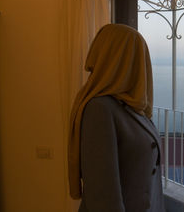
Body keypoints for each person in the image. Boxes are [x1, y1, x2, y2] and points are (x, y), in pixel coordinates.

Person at [68, 24, 165, 212]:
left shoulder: (132, 106)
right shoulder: (100, 110)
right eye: (138, 57)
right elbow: (103, 197)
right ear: (122, 60)